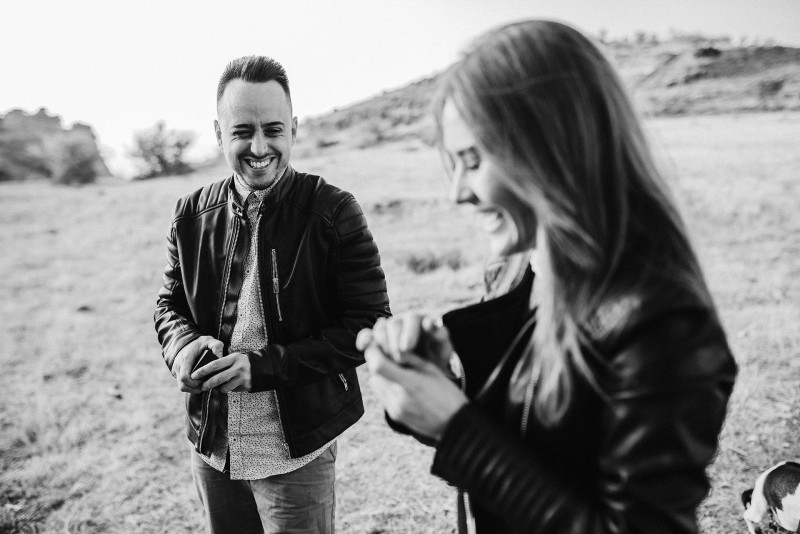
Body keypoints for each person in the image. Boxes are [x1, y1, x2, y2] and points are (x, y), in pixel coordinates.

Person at [357, 20, 737, 533]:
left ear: (551, 150)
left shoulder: (662, 322)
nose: (457, 193)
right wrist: (441, 383)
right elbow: (537, 452)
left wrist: (456, 427)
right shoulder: (524, 275)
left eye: (472, 161)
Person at [154, 55, 390, 534]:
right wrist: (181, 347)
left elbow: (366, 327)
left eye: (273, 129)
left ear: (295, 129)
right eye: (242, 131)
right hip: (212, 448)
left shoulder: (335, 212)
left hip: (297, 453)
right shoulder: (190, 215)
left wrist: (260, 368)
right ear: (219, 135)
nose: (259, 146)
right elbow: (169, 306)